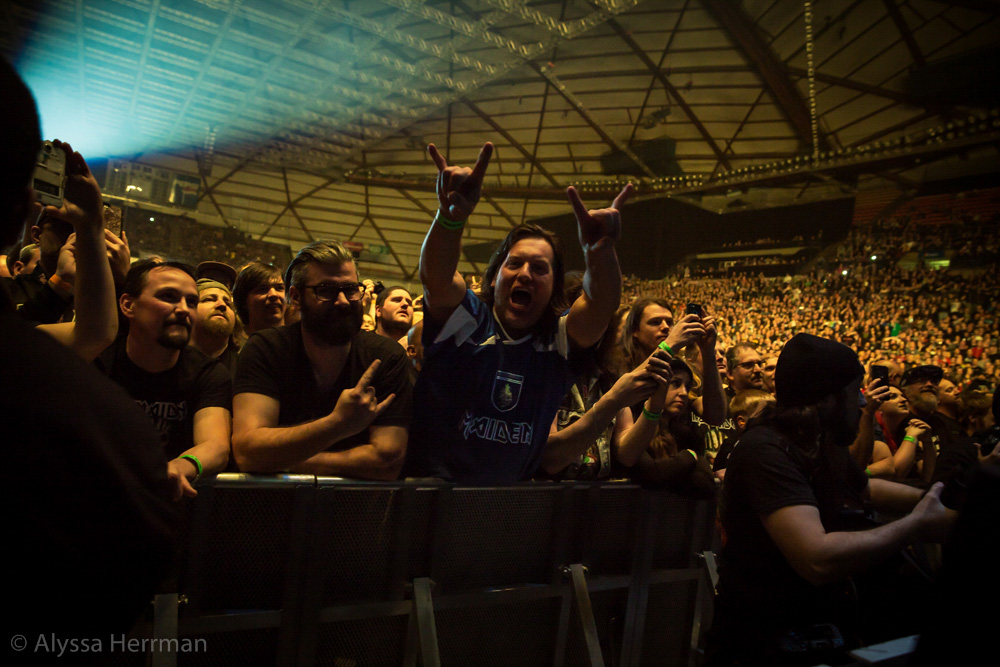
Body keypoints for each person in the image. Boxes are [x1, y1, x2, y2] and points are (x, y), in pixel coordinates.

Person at [1, 56, 176, 640]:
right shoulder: (105, 425)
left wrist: (91, 228)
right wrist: (90, 223)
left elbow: (92, 331)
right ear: (22, 215)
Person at [707, 334, 955, 665]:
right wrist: (917, 525)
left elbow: (865, 490)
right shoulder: (765, 450)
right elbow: (816, 558)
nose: (863, 402)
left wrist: (939, 500)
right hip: (764, 643)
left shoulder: (821, 440)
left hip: (818, 627)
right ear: (827, 398)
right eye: (855, 392)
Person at [404, 141, 629, 483]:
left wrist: (600, 253)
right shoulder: (466, 319)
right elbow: (436, 278)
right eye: (514, 264)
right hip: (432, 498)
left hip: (508, 504)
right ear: (495, 276)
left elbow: (602, 304)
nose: (525, 274)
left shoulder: (558, 341)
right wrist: (450, 219)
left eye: (539, 268)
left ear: (554, 288)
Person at [232, 240, 413, 479]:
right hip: (277, 502)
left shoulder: (387, 356)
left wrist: (280, 459)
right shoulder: (266, 348)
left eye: (351, 289)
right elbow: (248, 452)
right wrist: (337, 424)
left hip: (354, 504)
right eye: (326, 290)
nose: (343, 301)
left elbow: (387, 461)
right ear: (295, 297)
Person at [97, 258, 233, 500]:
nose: (183, 309)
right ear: (128, 305)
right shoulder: (98, 361)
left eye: (191, 302)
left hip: (168, 501)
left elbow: (216, 446)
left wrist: (180, 467)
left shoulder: (208, 372)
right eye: (168, 297)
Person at [190, 278, 239, 375]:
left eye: (228, 304)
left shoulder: (247, 368)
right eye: (209, 299)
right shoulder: (167, 362)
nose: (222, 305)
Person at [232, 260, 285, 336]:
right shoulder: (236, 342)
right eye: (262, 289)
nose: (273, 294)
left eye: (279, 288)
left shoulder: (300, 338)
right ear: (243, 300)